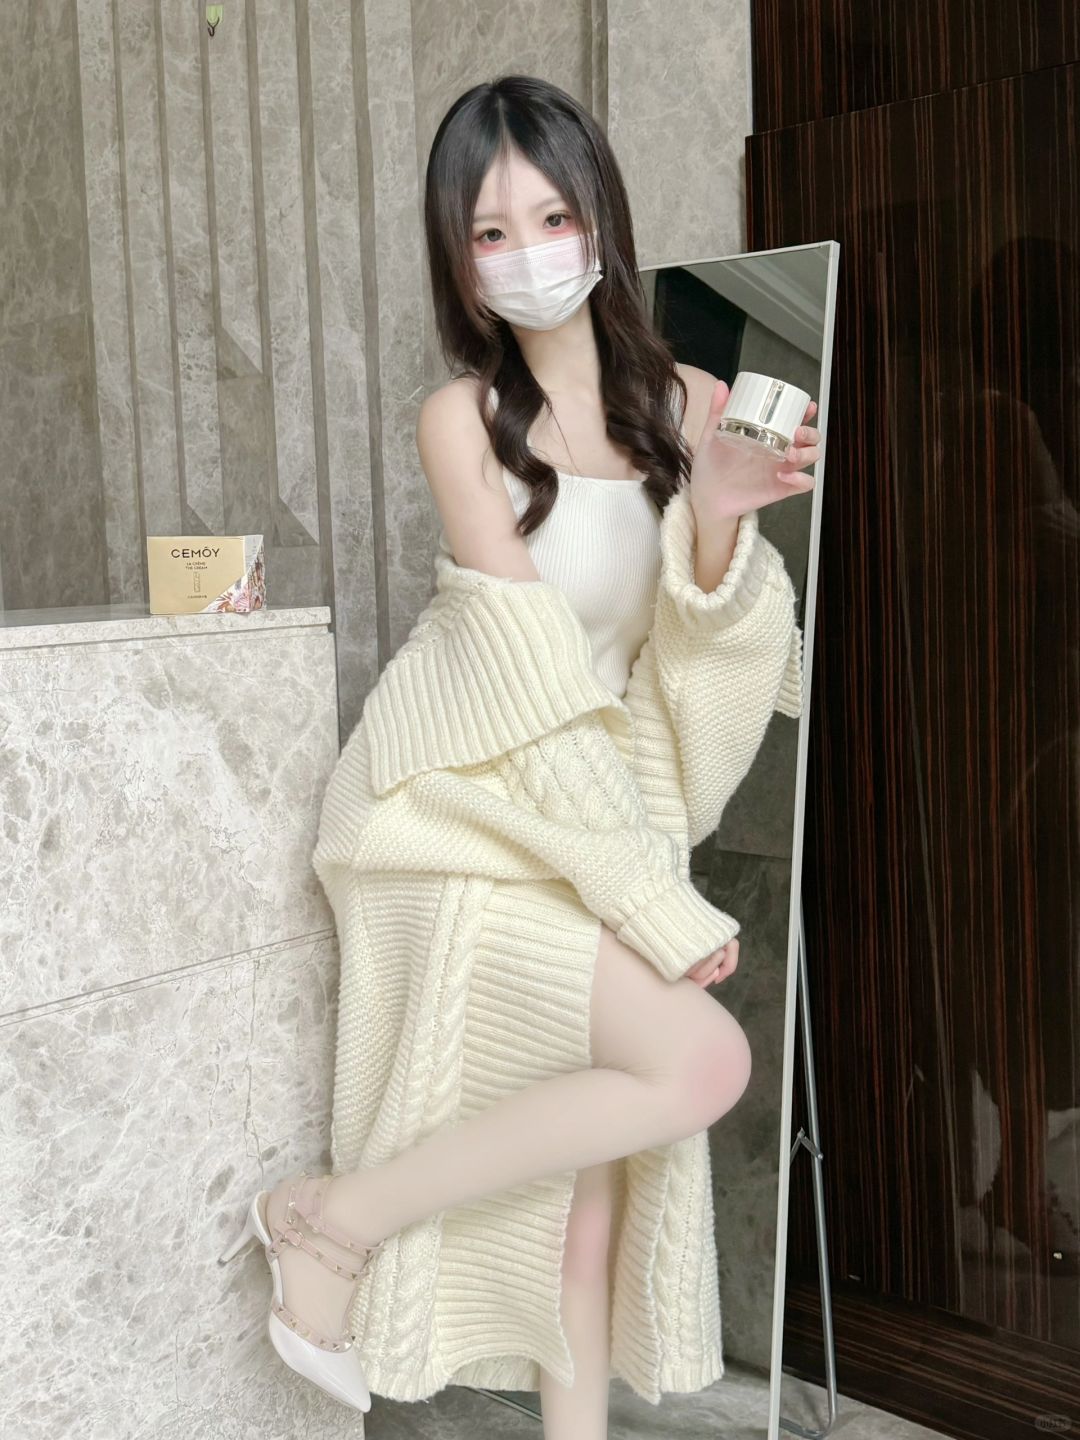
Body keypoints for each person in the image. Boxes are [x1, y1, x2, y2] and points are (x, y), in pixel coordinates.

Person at [220, 74, 820, 1437]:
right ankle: (334, 1225)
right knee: (701, 1065)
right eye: (491, 232)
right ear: (458, 257)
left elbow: (703, 672)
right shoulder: (460, 422)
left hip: (585, 816)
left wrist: (721, 519)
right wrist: (647, 899)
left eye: (552, 217)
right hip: (449, 807)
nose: (528, 252)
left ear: (601, 217)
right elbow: (530, 680)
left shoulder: (694, 402)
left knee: (584, 1213)